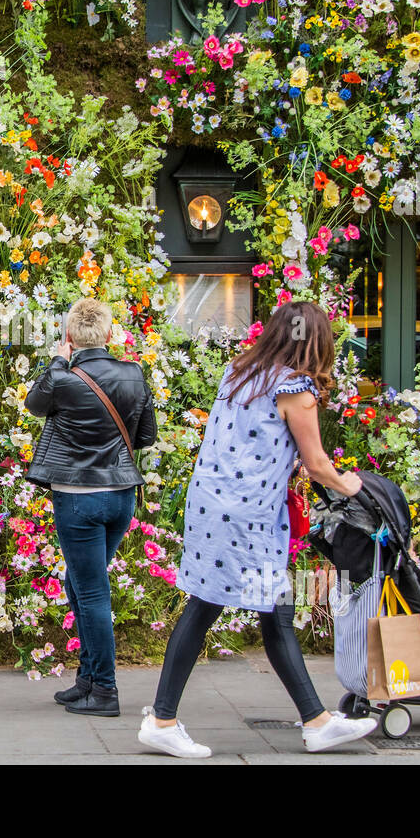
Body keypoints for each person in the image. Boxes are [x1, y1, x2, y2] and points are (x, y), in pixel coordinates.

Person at [138, 300, 378, 758]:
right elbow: (318, 464)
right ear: (317, 345)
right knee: (214, 605)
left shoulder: (241, 373)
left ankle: (316, 720)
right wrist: (351, 485)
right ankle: (163, 719)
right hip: (244, 516)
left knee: (269, 607)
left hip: (213, 504)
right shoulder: (297, 389)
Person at [25, 297, 157, 717]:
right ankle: (87, 679)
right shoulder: (133, 374)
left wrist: (58, 363)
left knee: (91, 590)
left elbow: (34, 403)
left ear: (69, 337)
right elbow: (146, 435)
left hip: (78, 498)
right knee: (79, 584)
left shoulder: (62, 378)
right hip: (119, 496)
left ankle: (105, 691)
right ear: (108, 334)